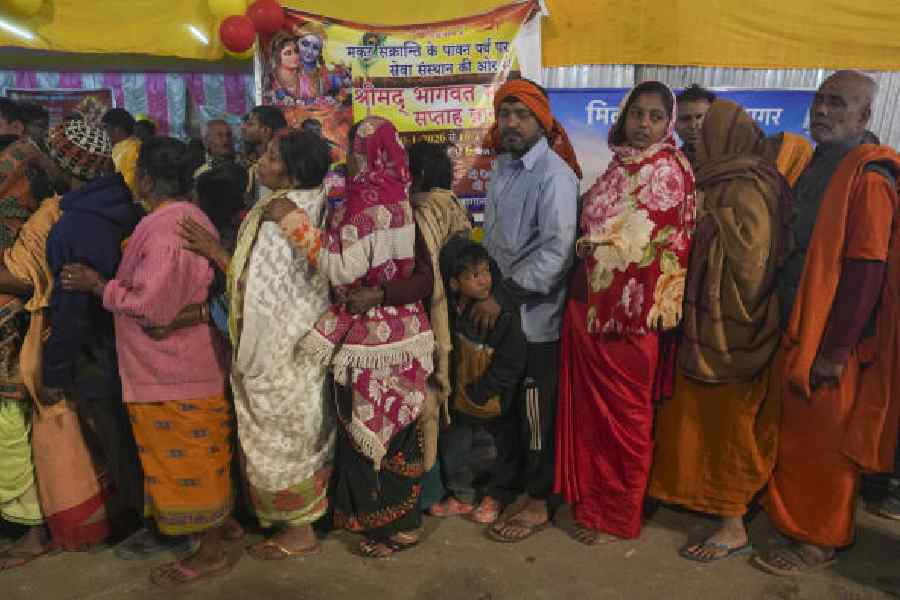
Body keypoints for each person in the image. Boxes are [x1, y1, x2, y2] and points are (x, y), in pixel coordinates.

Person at [60, 137, 233, 588]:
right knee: (201, 460)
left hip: (173, 370)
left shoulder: (163, 229)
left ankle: (211, 550)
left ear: (148, 180)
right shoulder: (188, 218)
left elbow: (154, 308)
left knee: (193, 465)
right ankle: (216, 531)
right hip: (180, 366)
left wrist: (102, 286)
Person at [263, 116, 434, 558]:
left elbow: (340, 269)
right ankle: (400, 522)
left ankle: (395, 526)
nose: (352, 160)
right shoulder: (400, 198)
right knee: (398, 425)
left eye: (356, 151)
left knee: (366, 426)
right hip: (406, 332)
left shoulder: (365, 201)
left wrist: (295, 223)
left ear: (364, 153)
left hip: (370, 338)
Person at [753, 70, 900, 576]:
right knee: (797, 439)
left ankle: (820, 540)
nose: (822, 111)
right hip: (800, 326)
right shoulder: (817, 164)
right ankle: (797, 524)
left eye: (837, 104)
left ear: (863, 118)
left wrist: (835, 352)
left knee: (825, 447)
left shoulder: (870, 177)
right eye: (819, 101)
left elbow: (866, 270)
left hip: (837, 344)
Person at [649, 100, 792, 562]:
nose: (697, 137)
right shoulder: (715, 179)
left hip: (735, 329)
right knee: (696, 419)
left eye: (706, 131)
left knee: (731, 425)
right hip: (706, 325)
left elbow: (752, 264)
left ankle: (732, 524)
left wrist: (703, 226)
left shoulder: (748, 186)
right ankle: (700, 501)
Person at [555, 81, 696, 545]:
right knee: (593, 419)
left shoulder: (670, 170)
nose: (644, 124)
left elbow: (653, 246)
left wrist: (592, 244)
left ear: (667, 124)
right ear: (624, 115)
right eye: (638, 113)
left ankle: (618, 512)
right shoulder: (617, 167)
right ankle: (591, 503)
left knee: (627, 420)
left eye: (656, 116)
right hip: (590, 312)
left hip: (630, 320)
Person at [476, 78, 580, 543]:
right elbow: (497, 240)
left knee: (536, 415)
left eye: (522, 115)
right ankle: (506, 485)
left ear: (542, 120)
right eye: (505, 114)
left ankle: (538, 501)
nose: (512, 123)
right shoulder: (503, 167)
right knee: (507, 411)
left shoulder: (554, 175)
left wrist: (505, 296)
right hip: (501, 314)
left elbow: (557, 253)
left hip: (535, 320)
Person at [342, 141, 472, 512]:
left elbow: (425, 278)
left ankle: (424, 496)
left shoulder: (420, 211)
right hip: (447, 316)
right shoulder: (451, 203)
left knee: (420, 408)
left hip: (425, 320)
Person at [225, 129, 336, 560]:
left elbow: (279, 292)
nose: (260, 162)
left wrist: (257, 353)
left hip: (286, 349)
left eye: (270, 157)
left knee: (290, 435)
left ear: (290, 172)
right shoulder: (282, 206)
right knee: (289, 432)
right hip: (284, 347)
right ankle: (288, 519)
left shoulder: (289, 214)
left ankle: (300, 529)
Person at [430, 237, 526, 524]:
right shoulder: (448, 311)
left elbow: (512, 361)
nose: (485, 280)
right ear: (454, 284)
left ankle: (496, 496)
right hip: (461, 399)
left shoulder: (502, 315)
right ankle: (462, 496)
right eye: (474, 275)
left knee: (500, 448)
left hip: (492, 398)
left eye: (486, 270)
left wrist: (484, 390)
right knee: (456, 446)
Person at [240, 106, 288, 206]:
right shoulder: (249, 162)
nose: (243, 127)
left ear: (265, 130)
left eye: (250, 124)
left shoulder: (277, 168)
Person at [102, 108, 141, 197]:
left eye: (105, 127)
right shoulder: (120, 146)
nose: (104, 132)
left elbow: (128, 185)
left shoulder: (133, 149)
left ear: (118, 129)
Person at [675, 84, 716, 166]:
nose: (693, 126)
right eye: (685, 119)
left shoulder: (732, 157)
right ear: (674, 124)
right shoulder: (671, 164)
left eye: (699, 117)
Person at [265, 33, 301, 105]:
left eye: (296, 51)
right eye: (288, 53)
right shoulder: (269, 80)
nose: (295, 56)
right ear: (277, 56)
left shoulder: (305, 76)